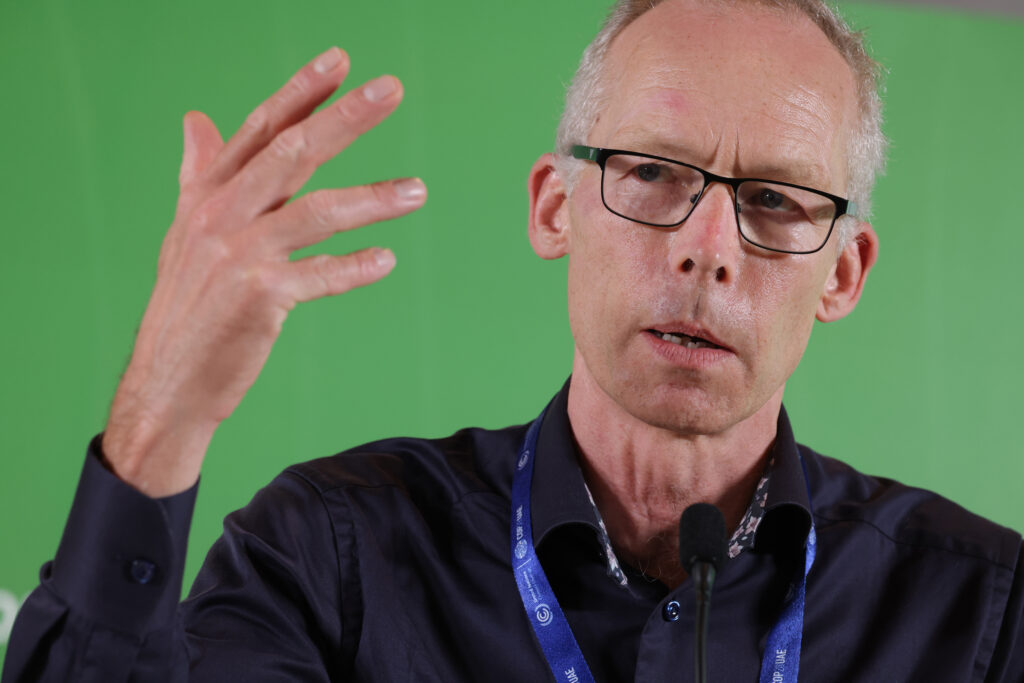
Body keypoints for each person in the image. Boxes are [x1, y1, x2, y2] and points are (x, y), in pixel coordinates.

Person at [4, 0, 1023, 680]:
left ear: (841, 271)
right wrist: (160, 422)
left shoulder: (981, 609)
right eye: (652, 172)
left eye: (774, 200)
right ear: (554, 209)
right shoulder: (331, 554)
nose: (708, 250)